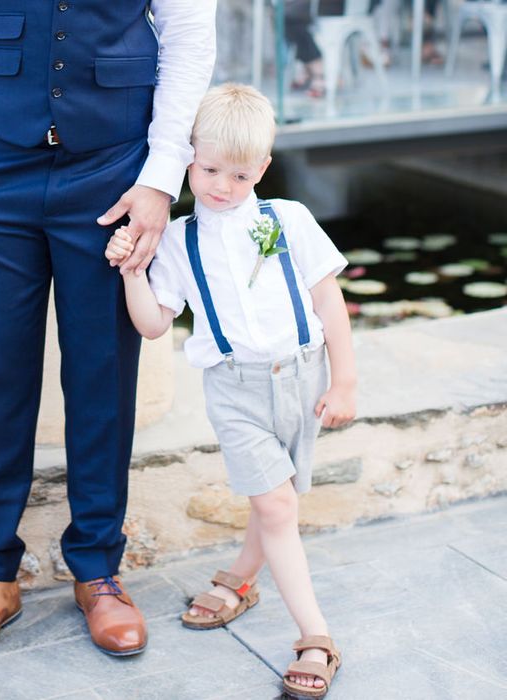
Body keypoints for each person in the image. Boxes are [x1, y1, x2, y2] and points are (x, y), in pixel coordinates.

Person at [0, 0, 217, 663]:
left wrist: (159, 176)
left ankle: (97, 567)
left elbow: (188, 31)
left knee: (102, 375)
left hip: (114, 167)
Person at [105, 83, 356, 698]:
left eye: (239, 175)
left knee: (277, 499)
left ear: (262, 169)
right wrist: (134, 270)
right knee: (275, 504)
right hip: (235, 388)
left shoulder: (288, 220)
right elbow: (153, 323)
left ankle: (240, 579)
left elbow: (328, 301)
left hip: (303, 376)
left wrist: (345, 378)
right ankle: (316, 635)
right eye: (210, 169)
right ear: (189, 156)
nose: (220, 185)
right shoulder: (179, 239)